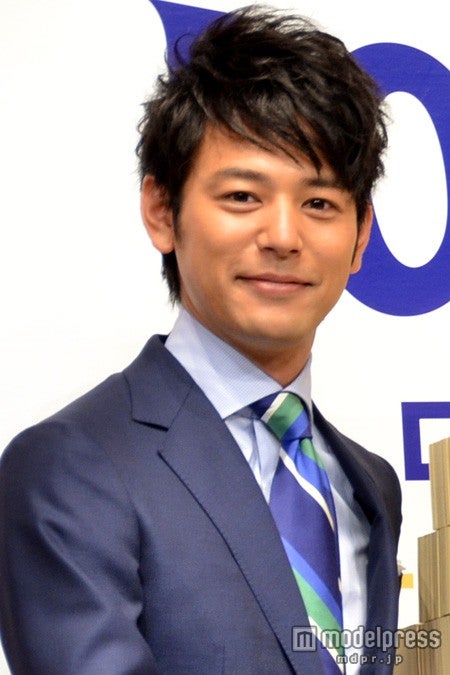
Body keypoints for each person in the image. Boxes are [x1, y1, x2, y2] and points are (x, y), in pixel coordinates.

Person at [0, 6, 401, 674]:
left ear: (360, 237)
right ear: (162, 210)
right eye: (243, 196)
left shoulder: (371, 485)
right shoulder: (71, 469)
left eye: (320, 203)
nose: (283, 236)